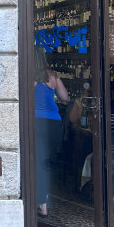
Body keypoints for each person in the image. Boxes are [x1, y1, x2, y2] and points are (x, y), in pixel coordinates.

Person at [34, 45, 68, 217]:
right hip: (55, 123)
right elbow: (65, 97)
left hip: (36, 122)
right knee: (46, 163)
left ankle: (42, 204)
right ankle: (43, 201)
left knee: (37, 163)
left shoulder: (28, 75)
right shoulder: (53, 76)